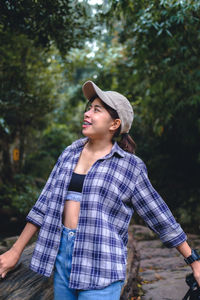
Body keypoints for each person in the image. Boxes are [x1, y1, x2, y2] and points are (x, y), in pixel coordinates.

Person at [0, 80, 200, 300]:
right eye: (88, 108)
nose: (87, 113)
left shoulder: (130, 167)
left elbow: (159, 217)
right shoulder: (69, 153)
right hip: (63, 264)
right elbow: (43, 205)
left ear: (114, 124)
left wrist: (194, 261)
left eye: (97, 110)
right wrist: (15, 251)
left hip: (101, 266)